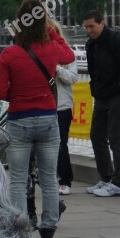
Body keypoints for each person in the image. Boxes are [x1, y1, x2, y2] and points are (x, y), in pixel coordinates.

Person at [0, 0, 74, 238]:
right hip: (49, 119)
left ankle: (20, 231)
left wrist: (16, 95)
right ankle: (48, 235)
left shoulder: (9, 54)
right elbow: (69, 55)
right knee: (49, 178)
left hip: (20, 120)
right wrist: (49, 28)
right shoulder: (51, 49)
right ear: (43, 23)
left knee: (18, 179)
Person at [83, 10, 120, 197]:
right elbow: (93, 71)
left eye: (92, 26)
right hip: (101, 95)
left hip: (119, 95)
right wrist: (94, 88)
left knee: (117, 140)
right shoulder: (90, 45)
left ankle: (118, 183)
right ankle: (106, 177)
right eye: (86, 27)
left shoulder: (119, 41)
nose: (89, 30)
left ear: (102, 23)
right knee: (96, 136)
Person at [50, 20, 78, 196]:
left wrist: (57, 69)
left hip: (62, 105)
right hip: (44, 105)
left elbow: (72, 78)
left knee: (61, 144)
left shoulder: (69, 54)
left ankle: (66, 180)